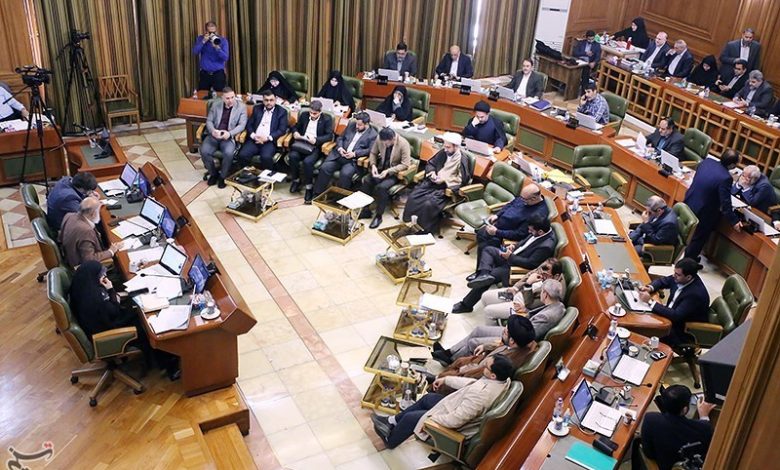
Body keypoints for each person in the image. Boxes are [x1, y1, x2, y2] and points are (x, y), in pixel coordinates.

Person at [371, 355, 513, 449]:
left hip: (453, 425)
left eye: (486, 366)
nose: (483, 366)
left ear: (492, 375)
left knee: (411, 418)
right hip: (456, 405)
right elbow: (472, 384)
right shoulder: (503, 380)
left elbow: (455, 420)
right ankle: (390, 422)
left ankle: (390, 440)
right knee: (428, 399)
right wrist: (446, 380)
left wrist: (430, 419)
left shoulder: (480, 396)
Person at [443, 278, 565, 362]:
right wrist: (525, 311)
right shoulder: (559, 306)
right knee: (478, 330)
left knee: (474, 342)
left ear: (545, 294)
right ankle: (449, 352)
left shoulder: (546, 316)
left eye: (541, 291)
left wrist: (511, 326)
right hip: (514, 329)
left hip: (514, 339)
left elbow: (526, 336)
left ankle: (452, 360)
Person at [453, 216, 556, 314]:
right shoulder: (539, 231)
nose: (529, 232)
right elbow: (524, 242)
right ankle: (483, 274)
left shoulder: (546, 246)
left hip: (515, 267)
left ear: (540, 232)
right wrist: (514, 246)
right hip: (511, 256)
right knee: (488, 250)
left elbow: (530, 264)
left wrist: (510, 257)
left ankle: (466, 305)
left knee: (490, 277)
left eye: (531, 230)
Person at [467, 183, 548, 279]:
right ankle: (483, 271)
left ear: (534, 198)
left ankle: (482, 272)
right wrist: (497, 215)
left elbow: (519, 234)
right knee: (481, 233)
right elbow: (510, 204)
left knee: (485, 242)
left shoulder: (538, 214)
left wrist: (496, 232)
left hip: (505, 235)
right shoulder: (525, 198)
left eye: (523, 199)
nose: (521, 200)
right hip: (498, 226)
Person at [402, 132, 473, 234]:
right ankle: (410, 222)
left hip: (446, 189)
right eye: (445, 146)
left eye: (448, 147)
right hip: (433, 183)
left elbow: (462, 180)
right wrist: (432, 172)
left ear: (456, 146)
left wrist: (444, 180)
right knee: (414, 196)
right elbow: (431, 164)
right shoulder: (443, 152)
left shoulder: (462, 160)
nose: (445, 149)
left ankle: (423, 230)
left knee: (428, 204)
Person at [638, 385, 716, 470]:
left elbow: (648, 453)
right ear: (685, 409)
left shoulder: (651, 419)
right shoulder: (703, 428)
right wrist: (704, 416)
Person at [437, 315, 536, 382]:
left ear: (512, 341)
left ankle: (435, 380)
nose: (502, 332)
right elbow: (504, 346)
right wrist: (485, 346)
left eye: (505, 332)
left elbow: (476, 375)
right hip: (481, 362)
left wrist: (462, 371)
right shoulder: (524, 343)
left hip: (474, 374)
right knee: (460, 360)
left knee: (447, 375)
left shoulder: (504, 361)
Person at [683, 149, 741, 260]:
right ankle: (688, 261)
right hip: (704, 211)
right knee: (698, 237)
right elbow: (725, 202)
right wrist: (734, 221)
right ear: (732, 165)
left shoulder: (707, 161)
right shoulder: (726, 178)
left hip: (689, 200)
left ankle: (689, 258)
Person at [638, 258, 710, 346]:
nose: (673, 276)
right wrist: (650, 288)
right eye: (674, 273)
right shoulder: (680, 278)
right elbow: (662, 281)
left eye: (677, 274)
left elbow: (676, 316)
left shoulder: (695, 294)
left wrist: (650, 301)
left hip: (680, 330)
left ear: (688, 277)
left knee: (642, 330)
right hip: (670, 315)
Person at [481, 258, 563, 325]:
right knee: (485, 296)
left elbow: (530, 305)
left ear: (556, 276)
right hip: (517, 293)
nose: (542, 275)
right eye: (541, 271)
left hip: (521, 306)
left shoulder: (554, 290)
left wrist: (528, 284)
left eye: (546, 275)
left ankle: (498, 336)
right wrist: (515, 288)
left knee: (488, 311)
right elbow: (530, 273)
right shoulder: (545, 270)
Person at [69, 261, 138, 339]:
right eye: (101, 275)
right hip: (109, 333)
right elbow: (115, 312)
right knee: (139, 316)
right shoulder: (96, 298)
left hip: (96, 324)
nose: (104, 276)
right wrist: (110, 289)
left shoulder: (81, 287)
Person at [313, 113, 378, 196]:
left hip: (353, 161)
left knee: (345, 174)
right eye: (356, 124)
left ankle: (339, 198)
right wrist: (340, 148)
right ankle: (318, 193)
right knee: (325, 167)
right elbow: (340, 138)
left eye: (359, 125)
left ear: (366, 124)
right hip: (339, 155)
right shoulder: (351, 125)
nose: (356, 126)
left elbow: (370, 150)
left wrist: (355, 154)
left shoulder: (373, 135)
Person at [359, 127, 412, 229]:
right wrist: (373, 165)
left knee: (381, 188)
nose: (384, 145)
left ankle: (378, 216)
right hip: (380, 168)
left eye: (386, 143)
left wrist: (389, 171)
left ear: (393, 139)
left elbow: (405, 164)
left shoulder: (403, 144)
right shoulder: (380, 139)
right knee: (367, 181)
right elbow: (373, 153)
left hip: (394, 173)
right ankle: (366, 210)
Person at [287, 100, 334, 203]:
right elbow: (295, 126)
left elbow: (329, 136)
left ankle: (309, 187)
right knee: (293, 156)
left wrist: (316, 140)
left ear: (320, 112)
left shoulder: (327, 119)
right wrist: (295, 132)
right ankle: (296, 180)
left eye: (315, 113)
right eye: (311, 112)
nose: (312, 115)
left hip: (315, 146)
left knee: (308, 162)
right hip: (301, 144)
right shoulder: (304, 115)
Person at [200, 87, 247, 188]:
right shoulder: (215, 105)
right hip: (214, 135)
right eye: (227, 98)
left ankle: (223, 176)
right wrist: (213, 131)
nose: (230, 100)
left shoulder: (241, 107)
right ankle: (213, 174)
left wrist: (229, 134)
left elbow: (242, 125)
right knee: (204, 151)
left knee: (228, 153)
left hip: (228, 137)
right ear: (222, 98)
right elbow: (209, 121)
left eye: (232, 97)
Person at [59, 197, 119, 267]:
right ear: (93, 214)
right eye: (98, 211)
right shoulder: (86, 231)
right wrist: (110, 251)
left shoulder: (69, 215)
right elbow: (89, 259)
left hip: (69, 256)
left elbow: (60, 238)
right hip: (80, 266)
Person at [236, 90, 288, 170]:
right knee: (242, 155)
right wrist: (253, 136)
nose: (269, 102)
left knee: (266, 157)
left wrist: (267, 138)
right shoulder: (257, 108)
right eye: (266, 100)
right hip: (254, 140)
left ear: (275, 100)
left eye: (271, 100)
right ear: (263, 100)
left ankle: (266, 177)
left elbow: (282, 130)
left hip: (269, 141)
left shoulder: (281, 112)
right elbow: (249, 125)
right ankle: (247, 174)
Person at [192, 21, 229, 91]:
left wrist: (217, 48)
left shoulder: (223, 41)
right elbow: (195, 52)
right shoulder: (201, 38)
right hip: (204, 74)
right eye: (210, 32)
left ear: (216, 30)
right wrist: (203, 41)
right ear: (206, 31)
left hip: (218, 74)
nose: (212, 35)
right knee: (203, 94)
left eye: (213, 33)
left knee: (219, 95)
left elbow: (225, 57)